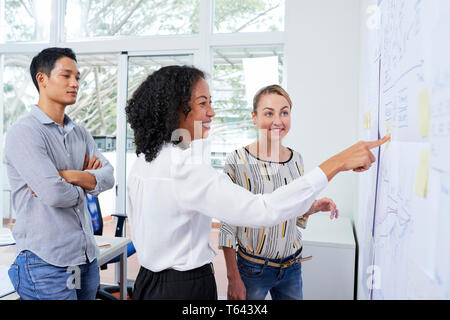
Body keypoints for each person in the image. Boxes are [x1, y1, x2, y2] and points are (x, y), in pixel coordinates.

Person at [125, 65, 389, 300]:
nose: (212, 112)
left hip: (149, 282)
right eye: (203, 103)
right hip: (186, 285)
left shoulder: (145, 161)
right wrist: (337, 162)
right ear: (177, 107)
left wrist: (308, 206)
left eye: (284, 112)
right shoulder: (186, 168)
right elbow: (261, 210)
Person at [4, 47, 115, 300]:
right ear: (42, 79)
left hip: (84, 257)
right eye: (66, 76)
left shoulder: (80, 133)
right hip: (46, 262)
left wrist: (67, 175)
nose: (75, 83)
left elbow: (108, 177)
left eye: (77, 77)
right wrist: (87, 180)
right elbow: (55, 194)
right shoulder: (25, 132)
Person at [218, 85, 338, 300]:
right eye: (268, 113)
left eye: (284, 112)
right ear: (254, 117)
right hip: (253, 269)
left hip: (292, 266)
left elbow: (291, 211)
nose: (278, 120)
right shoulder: (237, 160)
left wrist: (313, 207)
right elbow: (228, 223)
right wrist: (233, 278)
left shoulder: (296, 159)